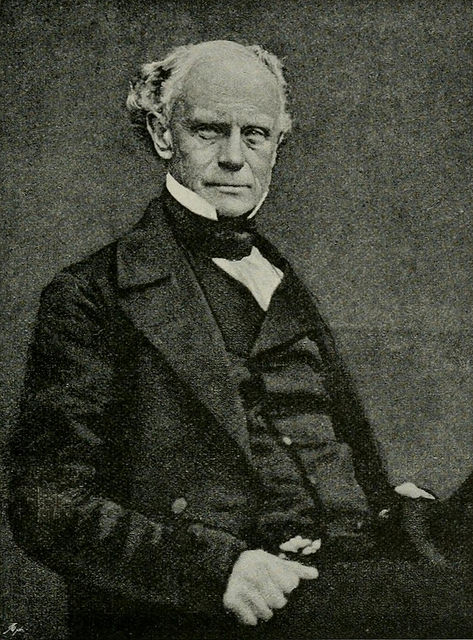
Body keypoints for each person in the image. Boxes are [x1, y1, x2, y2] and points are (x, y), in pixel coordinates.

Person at [8, 40, 473, 640]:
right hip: (223, 604)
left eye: (254, 135)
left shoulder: (282, 276)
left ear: (278, 145)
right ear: (161, 134)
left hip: (361, 564)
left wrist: (376, 499)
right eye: (209, 131)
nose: (234, 157)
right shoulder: (92, 295)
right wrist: (218, 570)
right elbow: (47, 504)